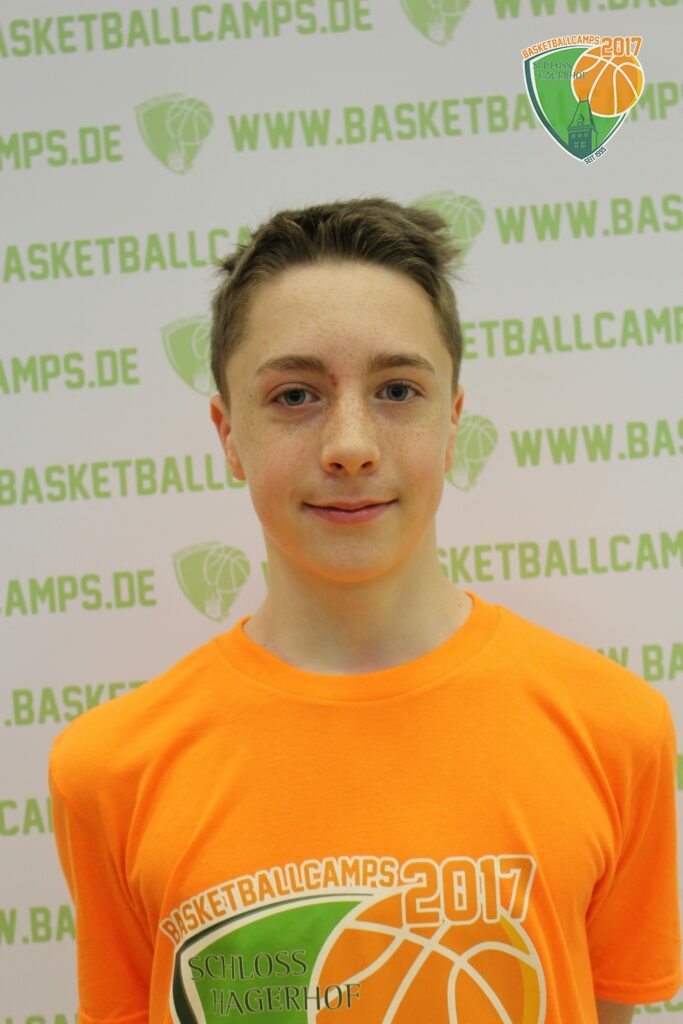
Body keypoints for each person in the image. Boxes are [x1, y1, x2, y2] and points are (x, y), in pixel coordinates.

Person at [49, 198, 681, 1024]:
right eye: (294, 396)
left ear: (451, 421)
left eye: (396, 390)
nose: (350, 444)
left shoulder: (614, 731)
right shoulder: (109, 772)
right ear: (227, 433)